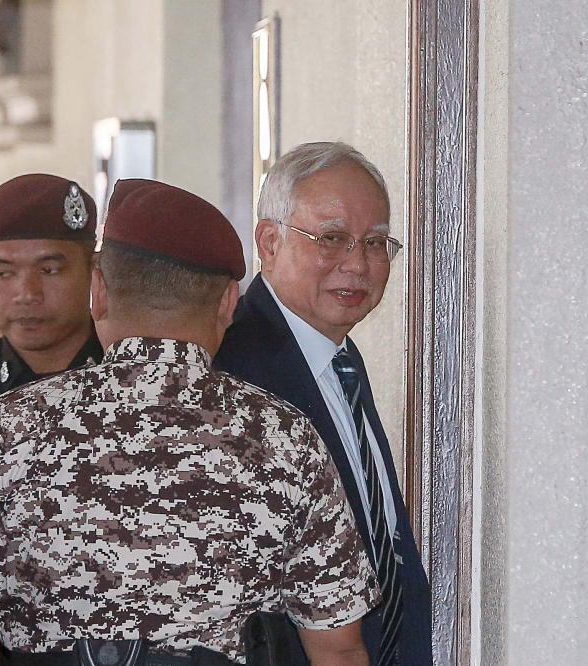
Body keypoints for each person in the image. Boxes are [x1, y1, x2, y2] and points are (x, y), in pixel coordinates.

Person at [0, 178, 379, 666]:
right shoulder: (284, 437)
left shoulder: (10, 426)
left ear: (98, 292)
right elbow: (337, 649)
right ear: (228, 302)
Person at [215, 142, 432, 666]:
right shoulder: (234, 369)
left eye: (375, 243)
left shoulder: (340, 358)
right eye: (332, 239)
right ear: (269, 243)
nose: (357, 264)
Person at [0, 174, 103, 395]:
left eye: (49, 270)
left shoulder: (138, 378)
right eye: (3, 273)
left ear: (94, 270)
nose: (27, 295)